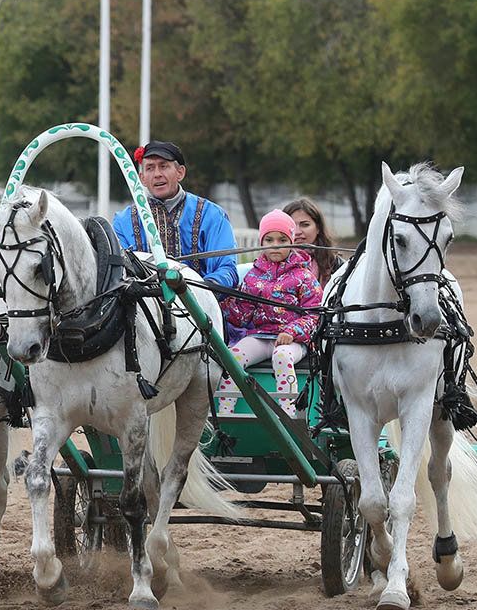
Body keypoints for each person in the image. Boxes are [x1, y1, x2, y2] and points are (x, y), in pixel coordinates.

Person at [217, 209, 322, 416]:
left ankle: (288, 412)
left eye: (282, 239)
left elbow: (315, 315)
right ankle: (225, 415)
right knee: (233, 357)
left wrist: (292, 332)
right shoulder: (253, 276)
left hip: (294, 342)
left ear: (292, 241)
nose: (276, 244)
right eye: (269, 239)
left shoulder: (304, 276)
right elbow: (242, 316)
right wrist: (225, 300)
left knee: (281, 356)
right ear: (262, 242)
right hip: (260, 337)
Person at [112, 140, 238, 288]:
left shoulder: (212, 215)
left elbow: (226, 269)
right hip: (142, 307)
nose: (157, 174)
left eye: (163, 166)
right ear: (142, 178)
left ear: (180, 173)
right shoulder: (123, 221)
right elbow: (118, 275)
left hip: (201, 306)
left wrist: (204, 291)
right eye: (150, 168)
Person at [283, 197, 342, 287]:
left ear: (318, 228)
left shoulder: (336, 265)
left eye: (305, 225)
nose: (298, 231)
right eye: (292, 226)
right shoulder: (272, 262)